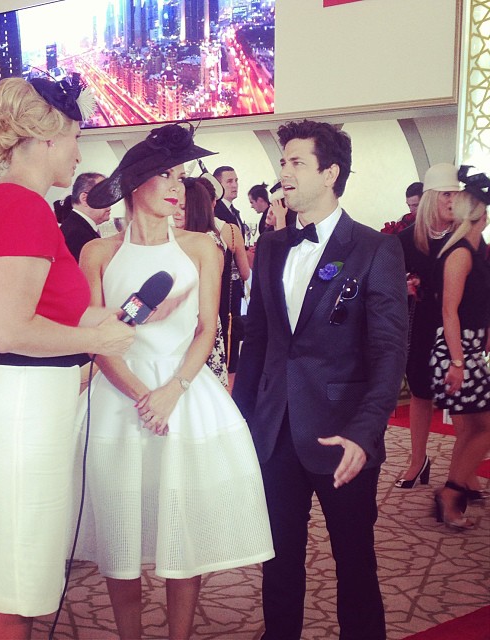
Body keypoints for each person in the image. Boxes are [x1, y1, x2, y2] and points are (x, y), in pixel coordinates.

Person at [78, 122, 274, 640]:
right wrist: (142, 396)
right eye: (166, 175)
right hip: (118, 399)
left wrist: (171, 392)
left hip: (184, 395)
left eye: (181, 176)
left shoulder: (201, 248)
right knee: (121, 534)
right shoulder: (98, 253)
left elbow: (208, 329)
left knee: (182, 532)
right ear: (134, 183)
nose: (177, 186)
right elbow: (97, 338)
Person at [0, 75, 134, 640]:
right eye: (77, 138)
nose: (80, 153)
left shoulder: (4, 199)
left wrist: (108, 319)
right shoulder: (24, 206)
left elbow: (43, 313)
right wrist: (96, 341)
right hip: (24, 409)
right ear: (50, 137)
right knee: (18, 590)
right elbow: (11, 329)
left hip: (16, 402)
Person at [233, 119, 408, 640]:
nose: (283, 172)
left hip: (342, 435)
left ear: (330, 174)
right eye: (282, 161)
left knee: (355, 561)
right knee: (278, 559)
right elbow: (257, 342)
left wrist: (365, 432)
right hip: (275, 432)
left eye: (295, 162)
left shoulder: (374, 249)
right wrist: (242, 424)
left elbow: (388, 351)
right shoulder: (270, 247)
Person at [430, 165, 490, 529]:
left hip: (467, 350)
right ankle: (452, 492)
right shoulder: (461, 253)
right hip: (455, 352)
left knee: (472, 428)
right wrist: (457, 362)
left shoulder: (477, 250)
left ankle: (457, 491)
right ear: (482, 215)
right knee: (485, 427)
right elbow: (448, 311)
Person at [394, 165, 461, 488]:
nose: (453, 200)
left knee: (461, 400)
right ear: (433, 197)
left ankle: (463, 474)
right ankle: (417, 460)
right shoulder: (407, 239)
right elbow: (389, 283)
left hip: (459, 324)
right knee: (421, 393)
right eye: (447, 194)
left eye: (456, 194)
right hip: (422, 324)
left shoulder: (465, 236)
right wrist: (404, 286)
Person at [173, 177, 228, 387]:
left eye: (183, 208)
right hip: (181, 326)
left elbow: (207, 295)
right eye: (175, 206)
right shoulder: (182, 238)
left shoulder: (208, 242)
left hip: (201, 326)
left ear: (197, 209)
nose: (176, 213)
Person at [213, 165, 250, 373]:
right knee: (226, 325)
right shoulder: (217, 212)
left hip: (235, 282)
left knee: (234, 325)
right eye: (229, 181)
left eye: (236, 181)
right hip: (223, 279)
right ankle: (228, 368)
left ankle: (232, 367)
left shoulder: (233, 211)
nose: (235, 185)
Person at [60, 172, 111, 262]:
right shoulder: (77, 235)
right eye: (105, 196)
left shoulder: (76, 226)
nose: (110, 203)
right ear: (85, 199)